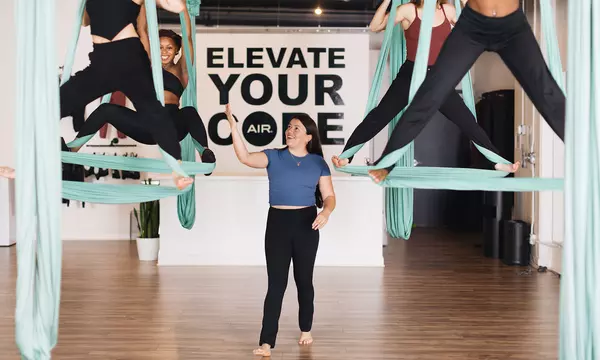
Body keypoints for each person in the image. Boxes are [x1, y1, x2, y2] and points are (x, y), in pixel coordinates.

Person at [361, 0, 564, 183]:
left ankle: (587, 157)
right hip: (472, 26)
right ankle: (388, 161)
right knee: (428, 96)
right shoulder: (418, 10)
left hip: (512, 27)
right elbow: (377, 26)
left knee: (546, 91)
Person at [333, 0, 520, 174]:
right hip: (411, 75)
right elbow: (375, 27)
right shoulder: (408, 10)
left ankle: (497, 161)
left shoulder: (448, 10)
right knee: (379, 116)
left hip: (439, 78)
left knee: (467, 120)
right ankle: (346, 156)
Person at [224, 104, 336, 357]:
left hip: (306, 223)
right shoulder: (274, 156)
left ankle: (305, 329)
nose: (290, 131)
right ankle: (266, 343)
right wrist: (234, 126)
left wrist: (325, 213)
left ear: (309, 136)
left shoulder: (318, 163)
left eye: (296, 128)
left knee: (304, 281)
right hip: (277, 222)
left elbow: (329, 196)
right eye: (289, 127)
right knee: (276, 284)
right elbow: (245, 157)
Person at [59, 0, 193, 190]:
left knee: (154, 113)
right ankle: (33, 160)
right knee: (58, 103)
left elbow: (175, 6)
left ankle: (176, 170)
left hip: (129, 60)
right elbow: (84, 21)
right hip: (101, 63)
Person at [70, 26, 216, 172]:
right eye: (160, 47)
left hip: (171, 126)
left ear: (177, 50)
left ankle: (204, 153)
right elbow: (143, 31)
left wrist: (185, 9)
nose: (164, 52)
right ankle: (73, 150)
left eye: (169, 48)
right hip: (144, 125)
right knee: (105, 109)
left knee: (189, 111)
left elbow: (188, 37)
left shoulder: (181, 71)